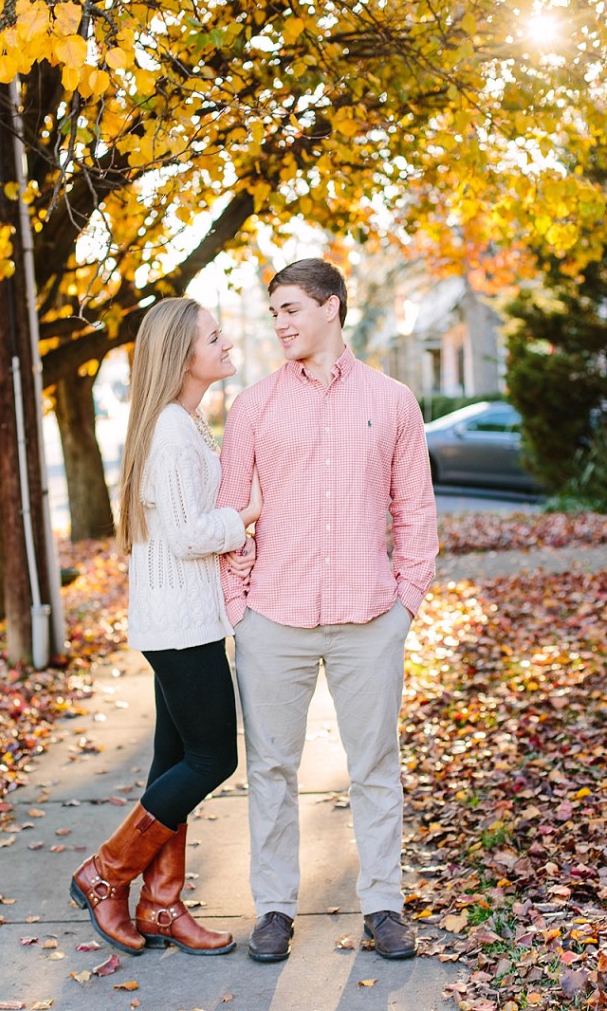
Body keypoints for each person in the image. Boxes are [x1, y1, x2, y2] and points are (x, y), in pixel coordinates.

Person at [218, 258, 438, 963]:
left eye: (290, 309)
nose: (279, 323)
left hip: (369, 618)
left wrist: (405, 601)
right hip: (272, 619)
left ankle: (382, 905)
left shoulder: (394, 400)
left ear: (331, 307)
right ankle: (275, 908)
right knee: (272, 771)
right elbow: (231, 514)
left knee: (374, 765)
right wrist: (238, 608)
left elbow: (415, 509)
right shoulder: (251, 405)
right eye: (274, 311)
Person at [70, 297, 260, 957]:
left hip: (180, 616)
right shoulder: (172, 433)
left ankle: (159, 905)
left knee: (172, 763)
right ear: (184, 356)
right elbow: (185, 536)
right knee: (213, 757)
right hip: (180, 623)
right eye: (214, 336)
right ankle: (105, 873)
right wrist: (248, 514)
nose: (226, 342)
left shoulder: (181, 423)